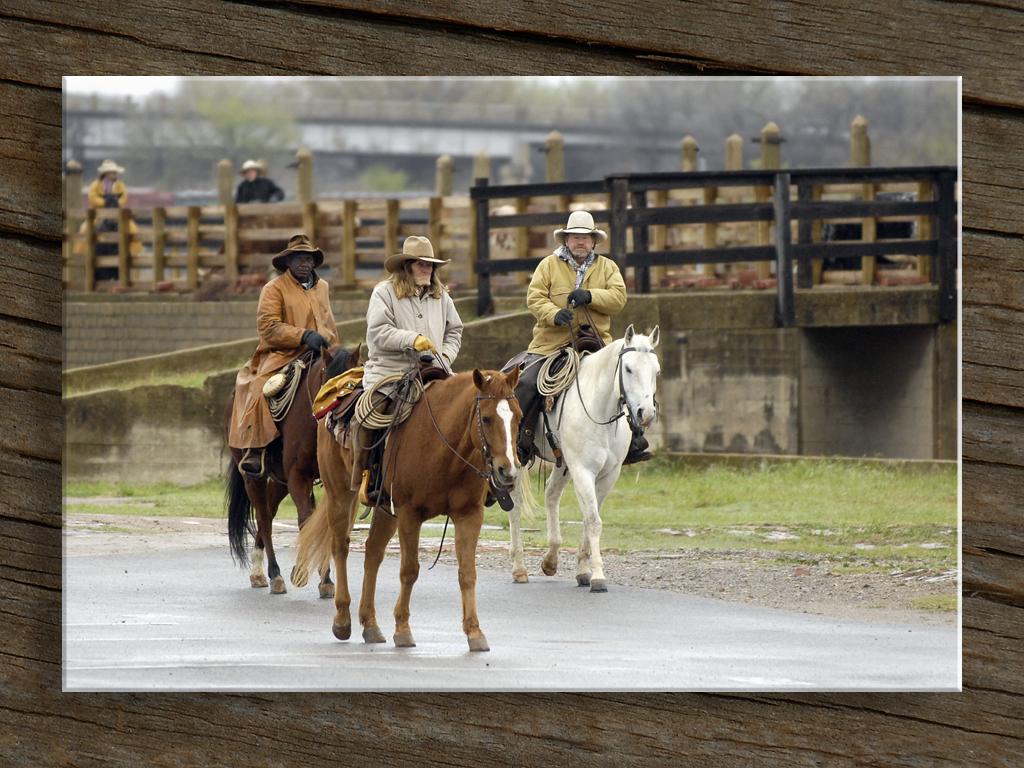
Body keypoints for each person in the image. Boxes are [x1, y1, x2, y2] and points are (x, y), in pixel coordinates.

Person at [517, 210, 652, 464]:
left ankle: (632, 439)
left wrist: (590, 295)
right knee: (527, 382)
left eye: (585, 237)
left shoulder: (607, 267)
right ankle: (519, 440)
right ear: (566, 240)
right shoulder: (547, 265)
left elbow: (619, 298)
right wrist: (554, 314)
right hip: (551, 344)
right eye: (574, 236)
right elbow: (534, 298)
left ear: (593, 241)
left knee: (626, 380)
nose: (580, 241)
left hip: (596, 343)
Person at [352, 235, 464, 502]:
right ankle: (369, 476)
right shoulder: (384, 292)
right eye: (420, 264)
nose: (426, 269)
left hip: (435, 371)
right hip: (390, 373)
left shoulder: (442, 296)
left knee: (473, 407)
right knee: (370, 414)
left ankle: (477, 480)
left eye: (430, 264)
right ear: (407, 266)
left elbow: (455, 332)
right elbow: (378, 332)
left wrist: (444, 358)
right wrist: (411, 339)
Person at [228, 234, 339, 477]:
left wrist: (335, 351)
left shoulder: (323, 288)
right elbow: (267, 326)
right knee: (259, 387)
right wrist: (302, 336)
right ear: (287, 261)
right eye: (299, 258)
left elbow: (329, 322)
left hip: (321, 353)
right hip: (282, 354)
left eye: (309, 258)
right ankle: (256, 448)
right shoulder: (273, 288)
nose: (304, 263)